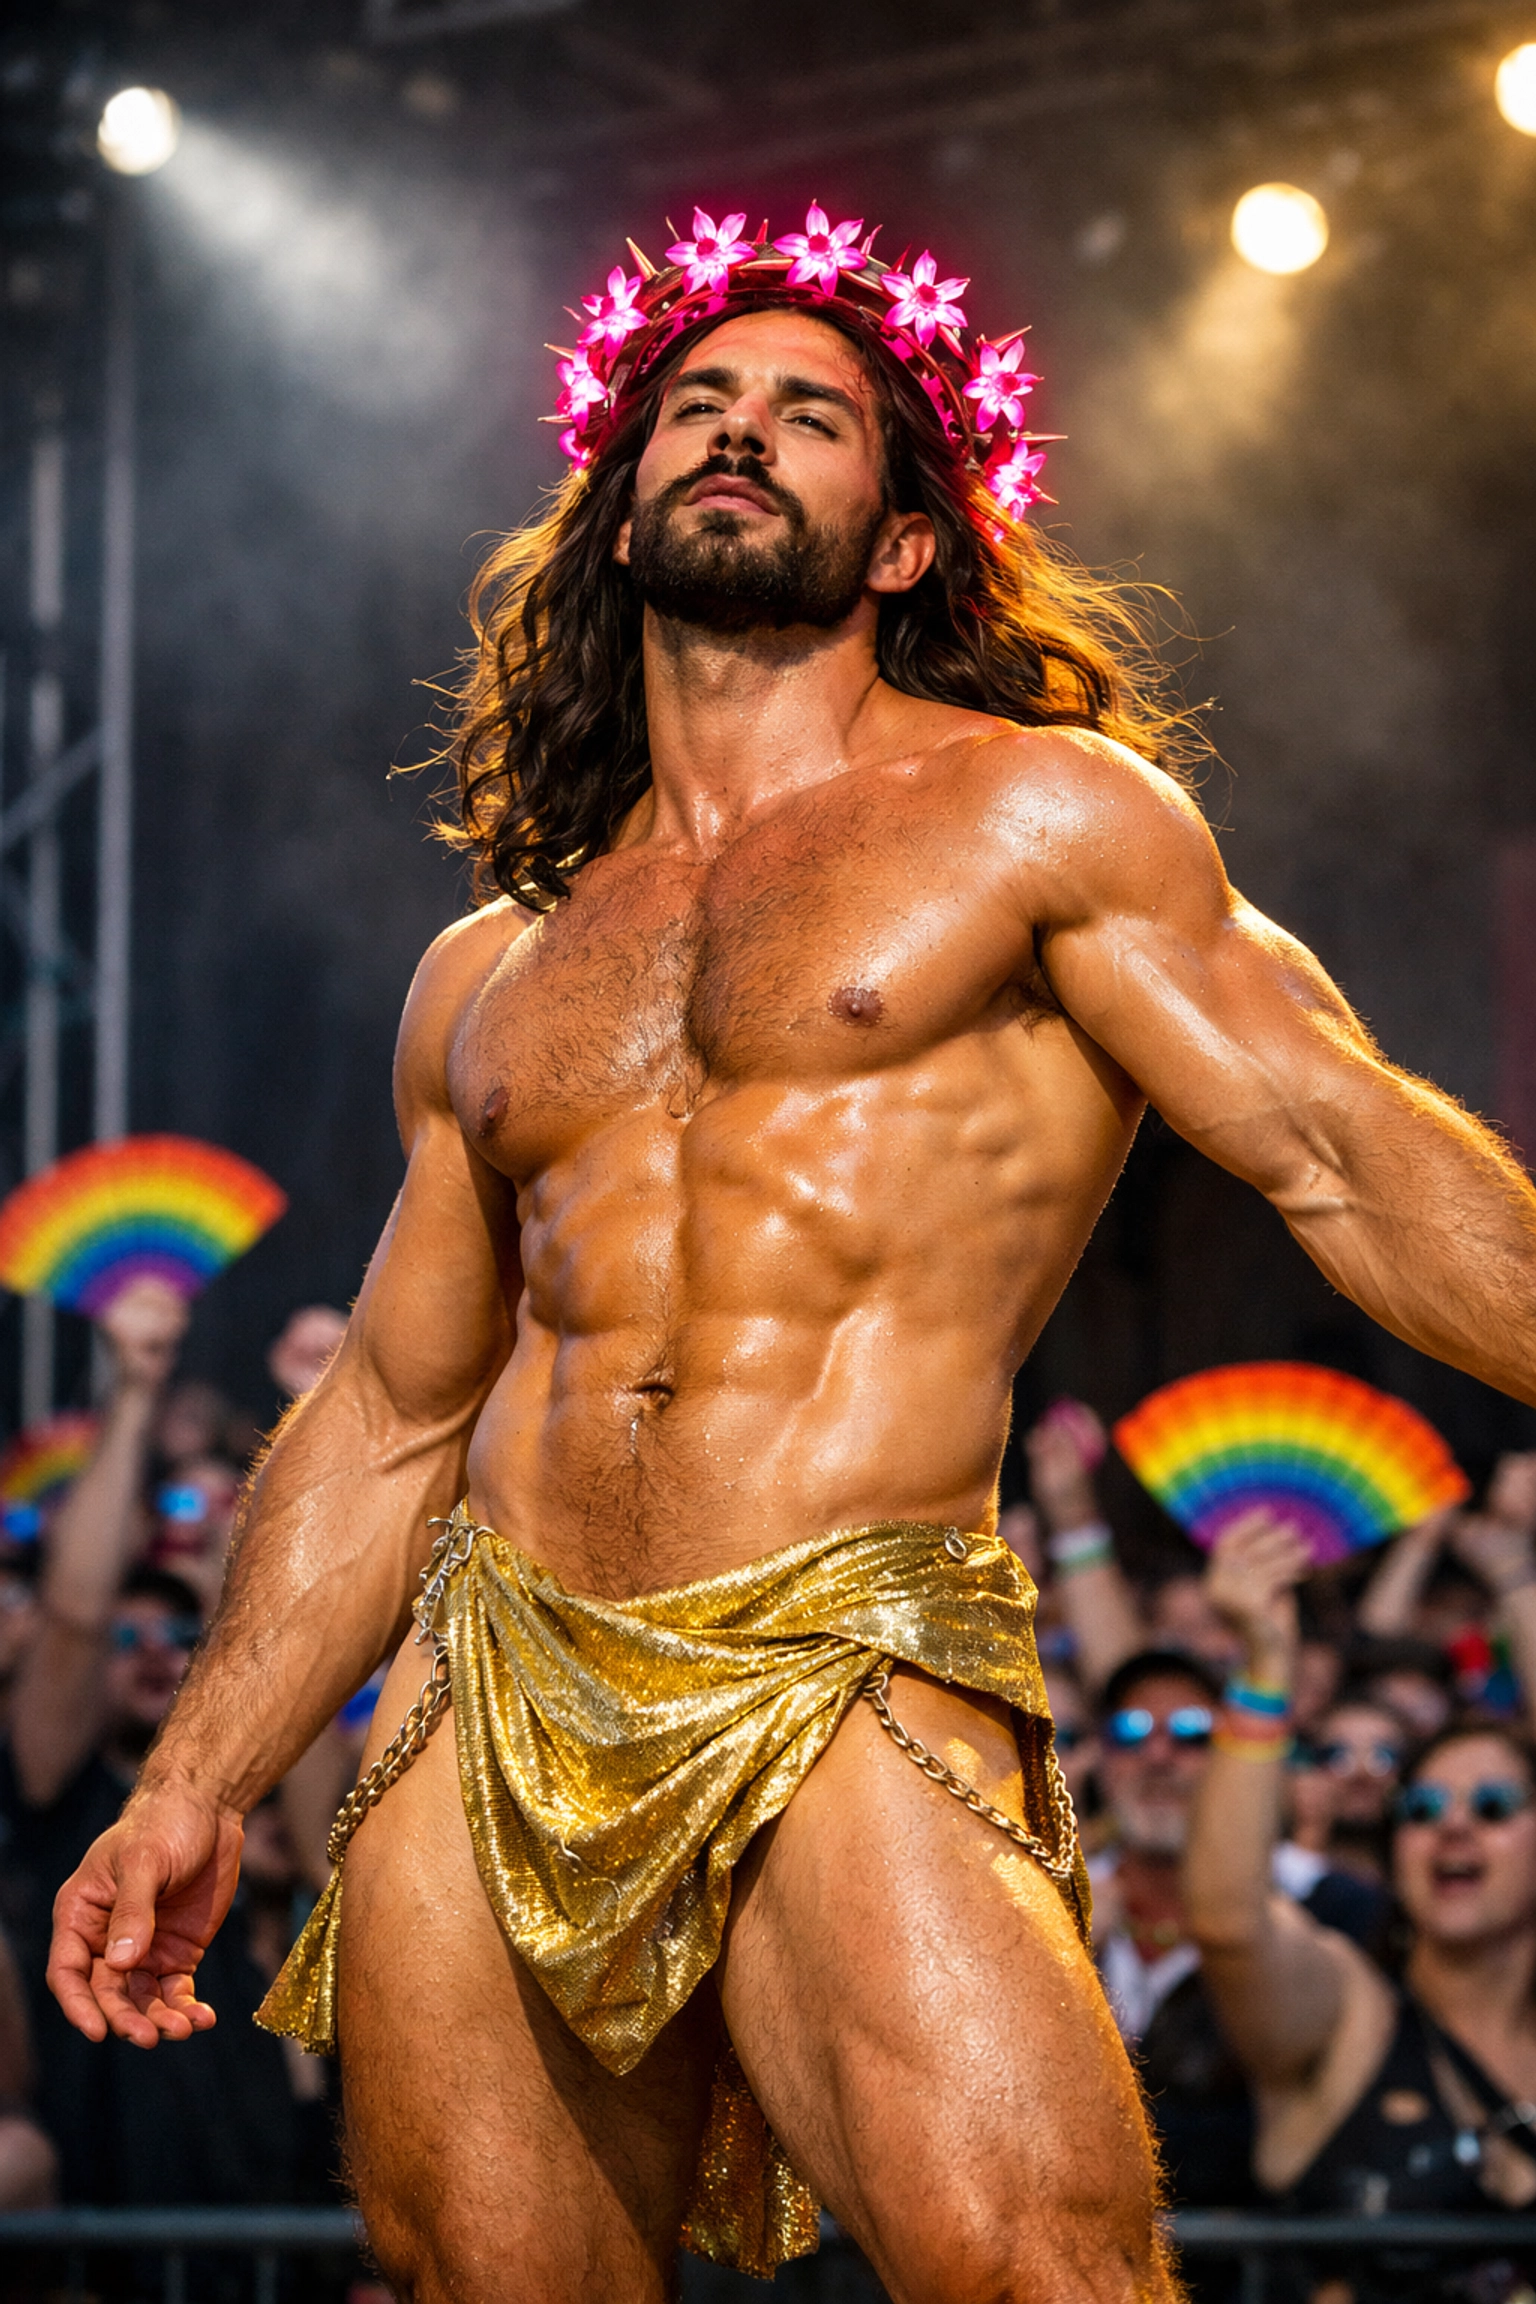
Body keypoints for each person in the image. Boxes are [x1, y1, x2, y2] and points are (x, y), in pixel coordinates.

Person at [47, 204, 1536, 2304]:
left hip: (844, 1640)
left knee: (1040, 2269)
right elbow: (391, 1409)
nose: (737, 432)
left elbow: (1342, 1156)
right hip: (496, 1672)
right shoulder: (495, 964)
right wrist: (193, 1779)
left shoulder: (1042, 821)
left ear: (907, 534)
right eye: (698, 404)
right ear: (624, 495)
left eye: (810, 416)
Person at [1185, 1526, 1536, 2304]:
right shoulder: (1348, 2013)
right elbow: (1228, 1924)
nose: (1453, 1827)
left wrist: (1517, 1576)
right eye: (1420, 1807)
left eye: (1493, 1805)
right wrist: (1264, 1669)